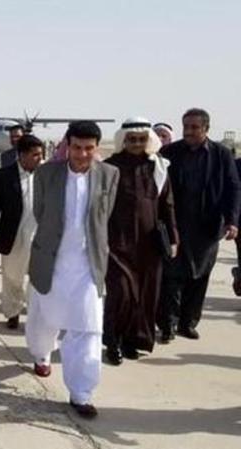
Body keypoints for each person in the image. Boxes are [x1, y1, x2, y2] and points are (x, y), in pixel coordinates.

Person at [26, 121, 119, 419]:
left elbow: (106, 216)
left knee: (88, 327)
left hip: (88, 264)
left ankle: (81, 393)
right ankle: (42, 355)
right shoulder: (46, 174)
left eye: (89, 148)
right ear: (67, 146)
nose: (82, 154)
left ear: (97, 148)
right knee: (44, 319)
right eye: (77, 147)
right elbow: (39, 211)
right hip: (51, 260)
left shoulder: (109, 175)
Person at [158, 108, 240, 341]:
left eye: (194, 127)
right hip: (175, 225)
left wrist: (232, 221)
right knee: (171, 277)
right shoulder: (169, 152)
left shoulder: (221, 155)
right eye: (186, 127)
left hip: (207, 227)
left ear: (206, 128)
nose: (189, 132)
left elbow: (233, 188)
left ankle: (188, 323)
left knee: (199, 276)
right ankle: (168, 325)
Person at [103, 118, 179, 365]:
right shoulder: (109, 167)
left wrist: (173, 238)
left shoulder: (158, 167)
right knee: (121, 293)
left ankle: (132, 341)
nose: (136, 143)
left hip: (149, 243)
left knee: (146, 294)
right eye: (132, 139)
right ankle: (112, 342)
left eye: (141, 139)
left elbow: (167, 204)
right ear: (123, 140)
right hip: (117, 241)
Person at [0, 135, 45, 329]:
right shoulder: (2, 177)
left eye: (41, 154)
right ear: (22, 155)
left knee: (38, 277)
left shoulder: (46, 175)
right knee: (12, 277)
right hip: (13, 235)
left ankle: (35, 314)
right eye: (35, 155)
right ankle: (13, 312)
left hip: (39, 235)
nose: (40, 158)